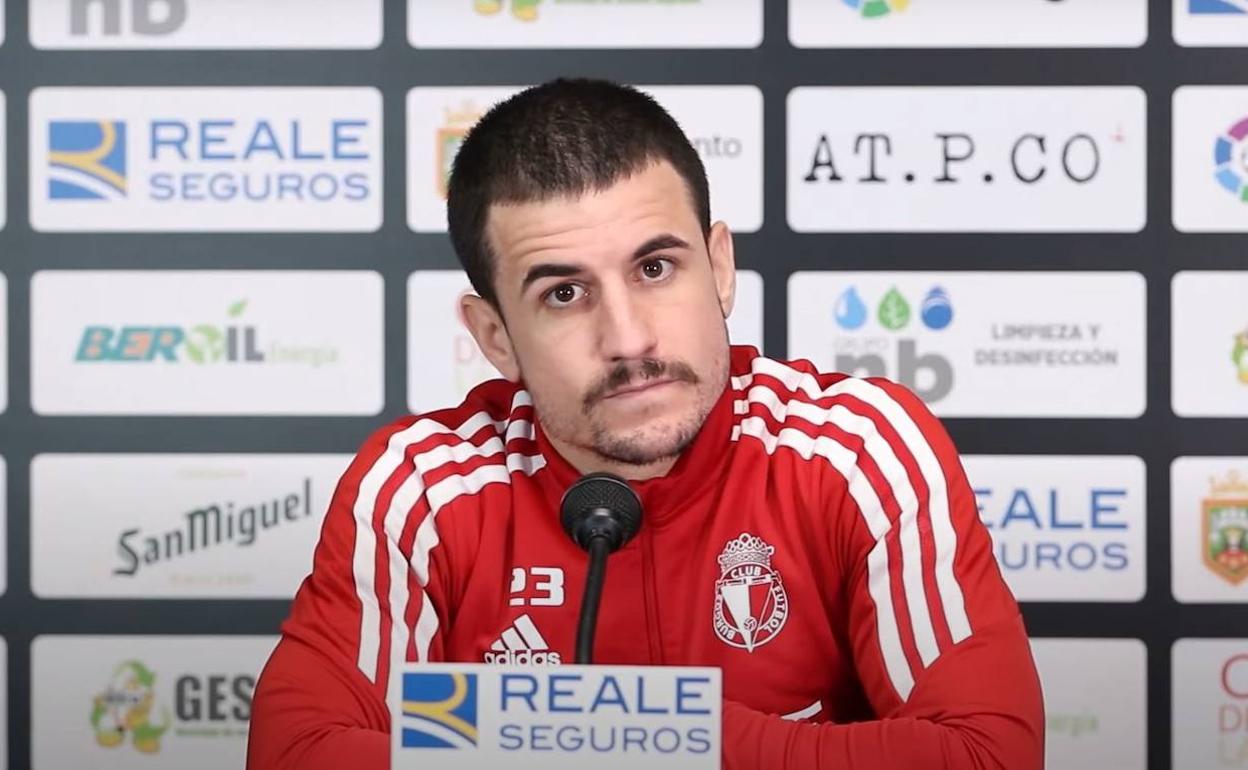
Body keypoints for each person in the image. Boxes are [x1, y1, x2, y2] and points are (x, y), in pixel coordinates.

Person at [247, 78, 1044, 770]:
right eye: (564, 294)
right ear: (495, 337)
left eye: (655, 268)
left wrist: (633, 732)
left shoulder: (855, 448)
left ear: (719, 268)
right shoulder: (423, 487)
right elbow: (299, 752)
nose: (628, 340)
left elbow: (988, 753)